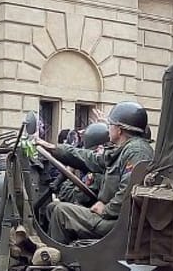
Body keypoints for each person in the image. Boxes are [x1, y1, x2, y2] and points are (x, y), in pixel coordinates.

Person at [37, 101, 154, 244]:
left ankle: (60, 262)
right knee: (53, 208)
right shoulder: (123, 150)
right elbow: (90, 158)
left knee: (60, 212)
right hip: (114, 218)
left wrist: (106, 209)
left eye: (110, 125)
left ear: (119, 130)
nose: (108, 128)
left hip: (118, 223)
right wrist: (54, 149)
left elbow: (129, 193)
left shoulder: (137, 151)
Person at [55, 122, 109, 207]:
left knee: (55, 207)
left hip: (92, 212)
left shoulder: (98, 172)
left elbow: (70, 196)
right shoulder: (106, 163)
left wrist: (70, 172)